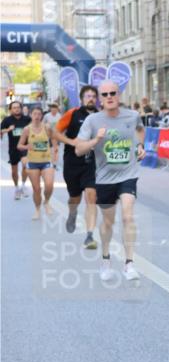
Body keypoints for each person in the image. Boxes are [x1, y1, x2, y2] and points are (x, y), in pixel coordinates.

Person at [74, 80, 145, 282]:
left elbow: (140, 129)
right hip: (104, 179)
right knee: (108, 222)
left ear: (119, 94)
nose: (109, 97)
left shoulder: (132, 116)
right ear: (100, 99)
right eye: (104, 95)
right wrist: (96, 140)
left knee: (128, 216)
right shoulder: (93, 121)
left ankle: (129, 264)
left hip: (128, 174)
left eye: (113, 93)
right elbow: (78, 149)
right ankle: (105, 260)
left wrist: (139, 146)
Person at [53, 85, 100, 247]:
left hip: (92, 162)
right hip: (72, 162)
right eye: (88, 96)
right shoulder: (72, 113)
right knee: (75, 197)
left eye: (93, 96)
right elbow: (55, 132)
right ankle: (72, 213)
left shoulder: (101, 116)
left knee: (91, 196)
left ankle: (90, 235)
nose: (91, 99)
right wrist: (71, 142)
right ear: (81, 99)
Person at [17, 105, 57, 219]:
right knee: (37, 189)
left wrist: (55, 151)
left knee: (49, 185)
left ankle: (46, 202)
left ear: (42, 116)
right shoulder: (27, 129)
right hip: (33, 162)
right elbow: (19, 145)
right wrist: (26, 147)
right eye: (34, 114)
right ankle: (37, 209)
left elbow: (53, 138)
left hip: (46, 161)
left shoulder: (47, 127)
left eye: (39, 114)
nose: (37, 116)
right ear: (31, 115)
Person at [1, 101, 31, 200]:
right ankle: (16, 188)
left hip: (24, 147)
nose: (17, 109)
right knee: (14, 171)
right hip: (13, 148)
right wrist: (8, 129)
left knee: (25, 165)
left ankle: (23, 185)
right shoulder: (7, 120)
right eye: (14, 108)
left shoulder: (27, 119)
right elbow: (1, 131)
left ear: (21, 108)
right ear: (10, 110)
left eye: (18, 107)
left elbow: (35, 128)